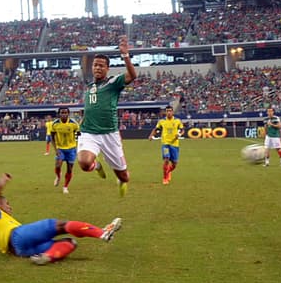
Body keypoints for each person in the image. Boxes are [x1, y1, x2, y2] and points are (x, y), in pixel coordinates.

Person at [0, 173, 121, 265]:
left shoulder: (2, 221)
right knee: (60, 225)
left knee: (70, 242)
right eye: (7, 204)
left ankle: (47, 257)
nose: (10, 207)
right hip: (18, 236)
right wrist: (1, 182)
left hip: (19, 250)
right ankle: (102, 233)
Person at [76, 37, 136, 197]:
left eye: (101, 66)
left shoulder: (113, 83)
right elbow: (89, 110)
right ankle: (96, 165)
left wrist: (125, 56)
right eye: (95, 65)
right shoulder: (89, 87)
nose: (97, 68)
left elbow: (132, 75)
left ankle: (122, 182)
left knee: (124, 176)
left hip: (110, 134)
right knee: (84, 162)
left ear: (107, 69)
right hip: (88, 132)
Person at [150, 105, 184, 184]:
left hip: (175, 144)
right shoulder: (161, 121)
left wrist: (179, 135)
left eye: (170, 111)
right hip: (165, 143)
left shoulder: (177, 121)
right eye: (167, 111)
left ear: (172, 112)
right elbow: (156, 129)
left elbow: (182, 130)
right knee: (166, 160)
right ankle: (165, 178)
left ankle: (168, 171)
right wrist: (151, 135)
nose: (168, 112)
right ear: (165, 112)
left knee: (175, 164)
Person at [49, 107, 80, 193]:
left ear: (68, 114)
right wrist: (56, 150)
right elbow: (52, 137)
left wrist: (77, 145)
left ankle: (65, 187)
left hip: (71, 149)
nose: (64, 114)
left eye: (65, 113)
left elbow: (78, 136)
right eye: (62, 113)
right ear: (59, 114)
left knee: (69, 169)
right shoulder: (55, 124)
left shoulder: (74, 124)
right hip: (60, 148)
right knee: (58, 165)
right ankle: (58, 176)